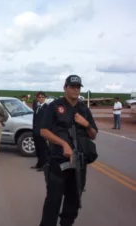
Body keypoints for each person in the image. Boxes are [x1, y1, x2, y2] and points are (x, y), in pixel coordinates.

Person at [38, 75, 98, 226]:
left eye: (78, 87)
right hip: (58, 163)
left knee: (73, 202)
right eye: (72, 87)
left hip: (79, 164)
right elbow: (43, 131)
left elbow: (93, 135)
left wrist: (86, 124)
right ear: (65, 88)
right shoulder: (55, 106)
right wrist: (63, 144)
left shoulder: (84, 109)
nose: (76, 90)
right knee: (53, 201)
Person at [31, 91, 49, 171]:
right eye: (39, 97)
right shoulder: (36, 107)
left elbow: (48, 121)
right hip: (35, 131)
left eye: (42, 97)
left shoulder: (47, 108)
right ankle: (39, 163)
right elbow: (35, 119)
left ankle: (44, 165)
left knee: (43, 149)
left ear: (45, 98)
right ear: (37, 98)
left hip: (42, 132)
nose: (41, 98)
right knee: (38, 149)